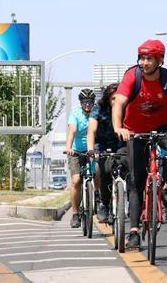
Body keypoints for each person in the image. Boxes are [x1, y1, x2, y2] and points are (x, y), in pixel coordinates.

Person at [112, 39, 167, 250]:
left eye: (149, 58)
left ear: (160, 60)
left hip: (162, 125)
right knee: (137, 181)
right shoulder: (132, 75)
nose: (145, 62)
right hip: (134, 130)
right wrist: (118, 128)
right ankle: (133, 231)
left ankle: (166, 187)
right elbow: (119, 103)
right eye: (142, 58)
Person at [87, 83, 128, 223]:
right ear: (107, 99)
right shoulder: (98, 109)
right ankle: (104, 204)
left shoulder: (127, 108)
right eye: (113, 99)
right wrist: (91, 150)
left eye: (119, 99)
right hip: (103, 146)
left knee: (130, 169)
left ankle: (127, 202)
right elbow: (91, 131)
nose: (116, 102)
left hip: (121, 145)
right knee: (103, 172)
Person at [65, 88, 96, 228]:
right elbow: (72, 131)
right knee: (77, 180)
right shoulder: (75, 114)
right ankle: (75, 214)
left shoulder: (96, 114)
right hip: (76, 151)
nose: (87, 105)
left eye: (90, 102)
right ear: (81, 103)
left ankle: (100, 201)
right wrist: (68, 148)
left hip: (92, 150)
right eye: (85, 102)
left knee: (100, 172)